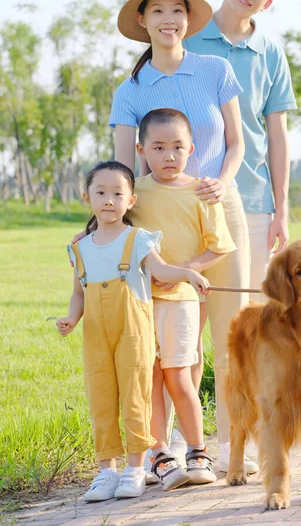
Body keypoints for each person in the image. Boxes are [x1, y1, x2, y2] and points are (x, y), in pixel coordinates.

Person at [110, 0, 257, 474]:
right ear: (142, 21)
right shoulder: (131, 88)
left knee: (232, 332)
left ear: (188, 19)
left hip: (219, 207)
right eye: (158, 11)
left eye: (177, 10)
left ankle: (236, 447)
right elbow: (125, 169)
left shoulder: (215, 69)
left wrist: (221, 179)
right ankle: (171, 449)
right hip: (161, 222)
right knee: (175, 344)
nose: (169, 20)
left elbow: (237, 143)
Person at [56, 160, 210, 502]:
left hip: (134, 336)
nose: (108, 200)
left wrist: (189, 275)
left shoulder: (137, 239)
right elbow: (78, 293)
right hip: (96, 336)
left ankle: (135, 468)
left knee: (137, 396)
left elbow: (163, 270)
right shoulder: (80, 248)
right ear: (87, 197)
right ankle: (106, 470)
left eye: (117, 193)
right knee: (101, 397)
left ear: (131, 201)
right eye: (100, 193)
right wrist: (71, 318)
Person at [131, 107, 237, 490]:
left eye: (177, 147)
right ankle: (160, 456)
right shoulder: (134, 194)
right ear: (142, 150)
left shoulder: (202, 192)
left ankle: (197, 451)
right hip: (140, 302)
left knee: (179, 375)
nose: (169, 155)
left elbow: (219, 247)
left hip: (183, 301)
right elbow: (108, 228)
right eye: (159, 148)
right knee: (150, 377)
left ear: (191, 148)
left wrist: (182, 272)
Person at [184, 0, 297, 301]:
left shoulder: (271, 53)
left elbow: (277, 137)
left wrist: (281, 210)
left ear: (268, 2)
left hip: (252, 199)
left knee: (249, 314)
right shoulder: (187, 39)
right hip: (187, 193)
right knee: (187, 310)